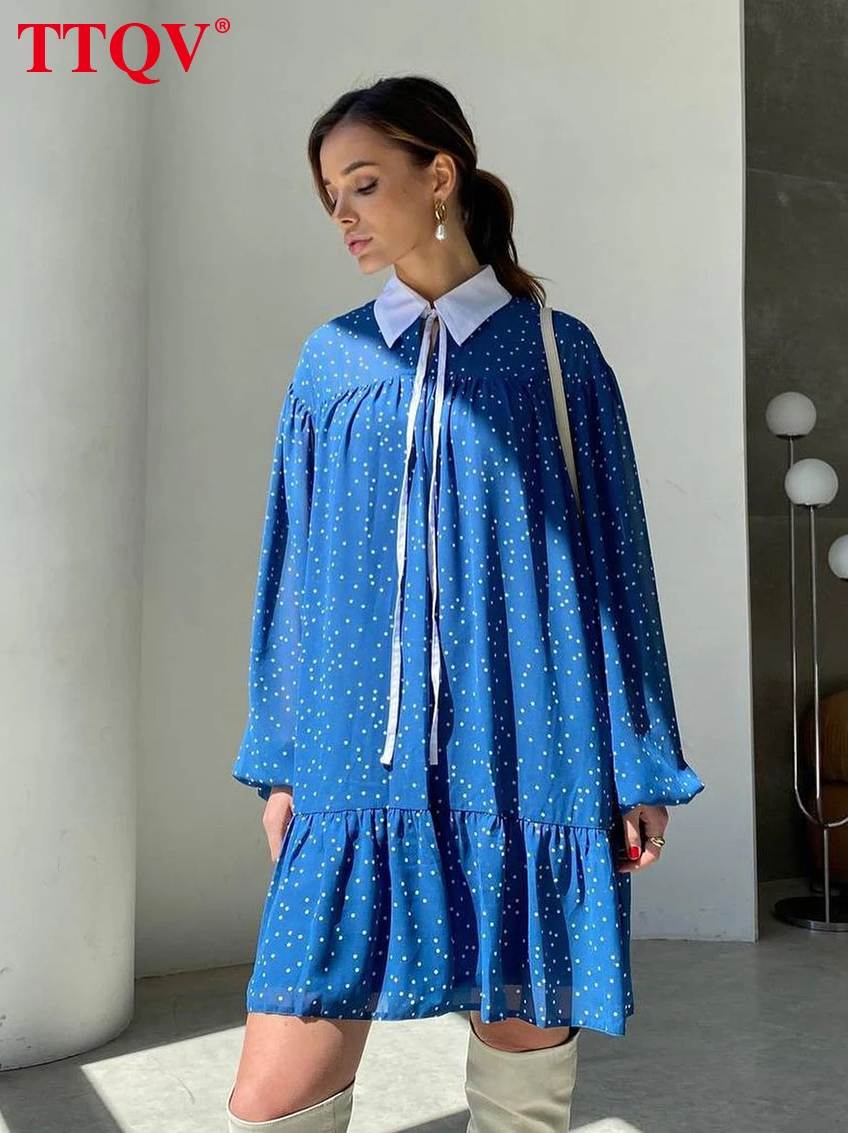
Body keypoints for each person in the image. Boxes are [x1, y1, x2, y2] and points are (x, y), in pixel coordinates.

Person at [225, 74, 706, 1133]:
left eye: (363, 183)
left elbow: (615, 564)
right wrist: (283, 757)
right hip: (355, 754)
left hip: (529, 747)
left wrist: (636, 760)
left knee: (521, 1081)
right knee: (272, 1097)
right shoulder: (331, 362)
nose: (343, 214)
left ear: (438, 174)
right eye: (329, 195)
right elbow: (291, 571)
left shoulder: (557, 354)